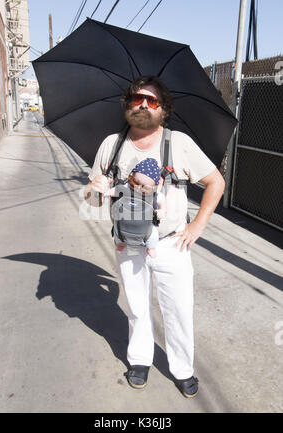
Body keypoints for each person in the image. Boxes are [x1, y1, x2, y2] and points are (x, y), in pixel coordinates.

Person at [84, 75, 225, 398]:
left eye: (152, 101)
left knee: (177, 309)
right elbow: (93, 200)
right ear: (128, 104)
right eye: (137, 99)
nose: (143, 105)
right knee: (136, 306)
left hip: (171, 243)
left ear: (164, 109)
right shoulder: (111, 144)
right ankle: (139, 359)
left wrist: (197, 226)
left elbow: (215, 182)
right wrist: (94, 190)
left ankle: (181, 368)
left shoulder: (179, 144)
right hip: (126, 243)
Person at [104, 157, 166, 258]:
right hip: (124, 220)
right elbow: (115, 190)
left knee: (153, 234)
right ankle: (121, 244)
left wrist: (161, 212)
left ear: (154, 186)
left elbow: (162, 203)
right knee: (117, 230)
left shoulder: (155, 195)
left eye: (144, 187)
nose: (138, 188)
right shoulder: (126, 188)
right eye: (135, 183)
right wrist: (105, 193)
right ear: (131, 177)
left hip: (145, 225)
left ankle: (151, 248)